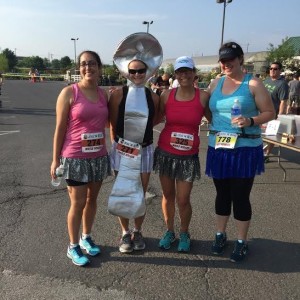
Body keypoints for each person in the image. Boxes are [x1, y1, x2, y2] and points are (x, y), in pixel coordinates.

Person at [206, 42, 275, 262]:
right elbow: (206, 107)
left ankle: (241, 241)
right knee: (222, 194)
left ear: (240, 59)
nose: (226, 64)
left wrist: (251, 120)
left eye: (230, 59)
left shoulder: (253, 83)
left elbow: (270, 112)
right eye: (223, 60)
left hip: (245, 149)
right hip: (219, 147)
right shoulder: (215, 83)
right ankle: (220, 235)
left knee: (240, 196)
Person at [50, 50, 111, 266]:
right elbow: (59, 128)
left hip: (98, 157)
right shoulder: (69, 93)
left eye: (92, 63)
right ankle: (73, 246)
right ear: (79, 68)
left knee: (92, 200)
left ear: (99, 68)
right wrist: (55, 159)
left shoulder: (104, 94)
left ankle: (86, 238)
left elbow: (110, 123)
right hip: (74, 156)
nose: (88, 68)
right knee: (77, 203)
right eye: (84, 64)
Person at [109, 32, 162, 253]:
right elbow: (113, 122)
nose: (137, 74)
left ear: (147, 71)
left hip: (145, 149)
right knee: (123, 190)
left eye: (141, 71)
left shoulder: (154, 97)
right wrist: (119, 147)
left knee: (139, 191)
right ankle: (124, 233)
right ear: (127, 72)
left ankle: (137, 231)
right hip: (122, 149)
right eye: (133, 71)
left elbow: (156, 119)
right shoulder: (118, 95)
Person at [153, 56, 210, 252]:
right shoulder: (167, 95)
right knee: (167, 195)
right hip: (166, 153)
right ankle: (170, 231)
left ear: (194, 73)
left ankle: (184, 232)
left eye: (187, 71)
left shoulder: (202, 97)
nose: (183, 75)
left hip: (188, 157)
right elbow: (156, 118)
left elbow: (215, 121)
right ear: (175, 74)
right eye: (180, 71)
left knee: (183, 199)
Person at [263, 62, 289, 160]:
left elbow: (283, 101)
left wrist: (280, 116)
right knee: (262, 135)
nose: (272, 70)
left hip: (273, 114)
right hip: (262, 112)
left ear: (280, 70)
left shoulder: (282, 84)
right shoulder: (267, 80)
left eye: (275, 69)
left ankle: (267, 154)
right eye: (271, 68)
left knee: (271, 135)